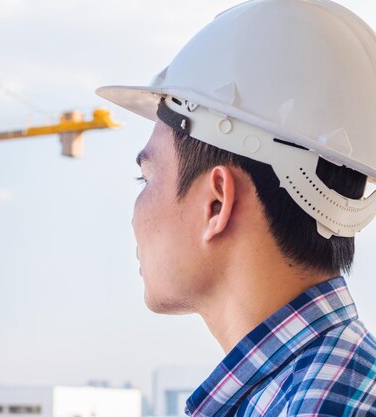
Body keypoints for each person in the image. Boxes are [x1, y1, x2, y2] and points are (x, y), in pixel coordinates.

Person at [96, 0, 376, 415]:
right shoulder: (314, 386)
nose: (133, 214)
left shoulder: (317, 406)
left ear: (216, 203)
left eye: (147, 178)